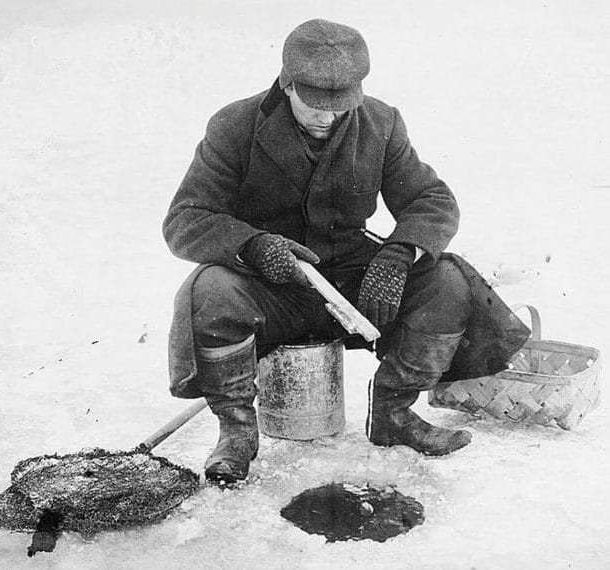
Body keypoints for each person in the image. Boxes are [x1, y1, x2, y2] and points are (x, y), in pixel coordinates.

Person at [163, 19, 529, 485]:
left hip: (356, 281)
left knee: (448, 279)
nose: (328, 116)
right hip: (273, 287)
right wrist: (253, 246)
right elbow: (186, 217)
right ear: (286, 83)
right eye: (315, 103)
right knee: (209, 290)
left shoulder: (381, 121)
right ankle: (236, 433)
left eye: (341, 106)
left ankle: (393, 413)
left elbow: (431, 200)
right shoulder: (235, 126)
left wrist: (399, 256)